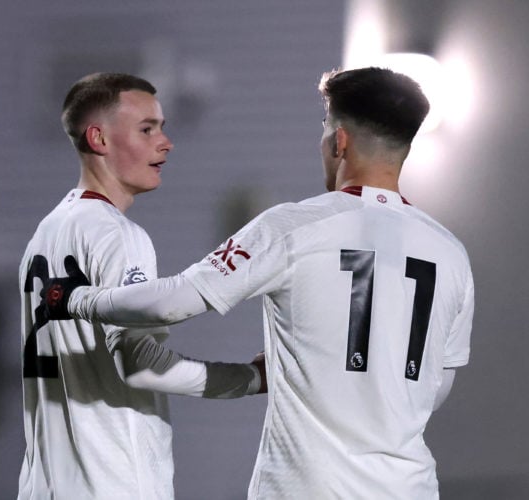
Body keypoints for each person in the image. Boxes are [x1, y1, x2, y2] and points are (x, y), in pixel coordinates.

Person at [55, 67, 474, 499]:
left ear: (340, 141)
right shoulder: (450, 253)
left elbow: (173, 303)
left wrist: (80, 299)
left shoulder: (293, 226)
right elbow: (433, 389)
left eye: (325, 128)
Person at [18, 72, 264, 500]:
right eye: (147, 129)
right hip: (110, 485)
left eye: (163, 128)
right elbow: (142, 365)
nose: (165, 143)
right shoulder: (117, 235)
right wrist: (249, 379)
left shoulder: (46, 233)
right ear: (99, 139)